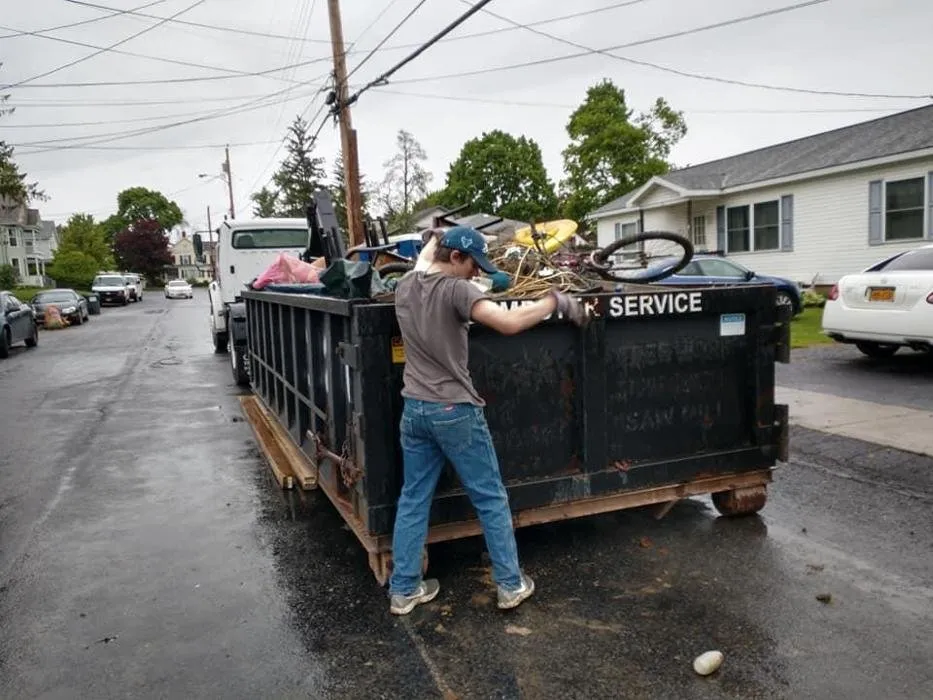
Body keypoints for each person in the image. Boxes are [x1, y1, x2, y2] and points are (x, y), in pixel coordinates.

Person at [388, 225, 588, 615]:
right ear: (456, 257)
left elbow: (425, 259)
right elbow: (508, 323)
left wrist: (435, 238)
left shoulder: (406, 287)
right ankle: (511, 584)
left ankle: (404, 591)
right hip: (454, 411)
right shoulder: (457, 291)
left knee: (413, 499)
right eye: (472, 264)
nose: (476, 273)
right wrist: (553, 302)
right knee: (491, 498)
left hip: (415, 410)